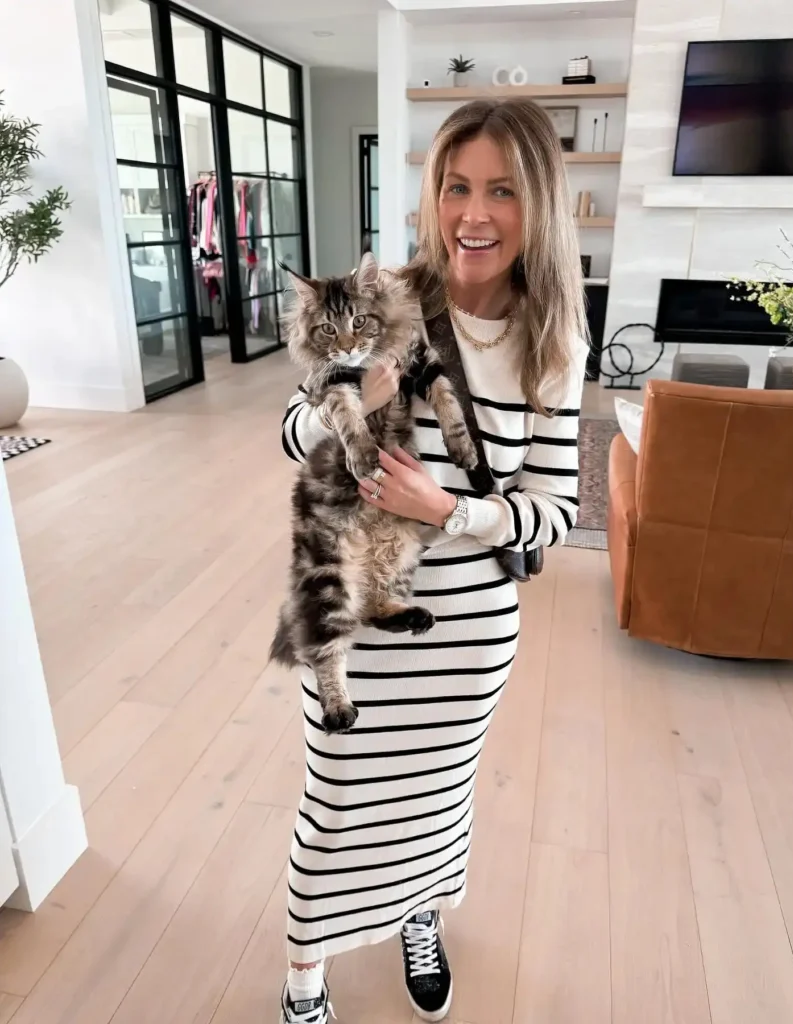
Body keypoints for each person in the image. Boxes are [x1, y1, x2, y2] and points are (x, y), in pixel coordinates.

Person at [278, 98, 588, 1024]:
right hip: (358, 615)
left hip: (469, 635)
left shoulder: (554, 341)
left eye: (500, 190)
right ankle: (304, 972)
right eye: (455, 187)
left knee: (436, 798)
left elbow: (557, 514)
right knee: (335, 803)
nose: (473, 214)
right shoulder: (384, 302)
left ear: (538, 204)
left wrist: (449, 509)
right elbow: (293, 434)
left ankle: (420, 914)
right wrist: (354, 395)